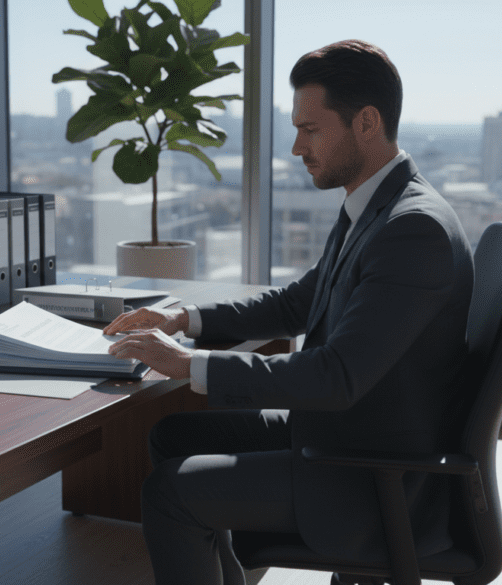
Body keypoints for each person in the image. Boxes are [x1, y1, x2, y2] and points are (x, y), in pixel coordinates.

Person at [103, 39, 474, 585]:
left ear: (367, 123)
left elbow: (336, 377)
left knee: (169, 493)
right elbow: (299, 302)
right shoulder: (377, 206)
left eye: (311, 129)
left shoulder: (411, 229)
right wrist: (182, 320)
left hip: (370, 477)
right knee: (172, 438)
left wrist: (189, 365)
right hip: (352, 434)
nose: (298, 147)